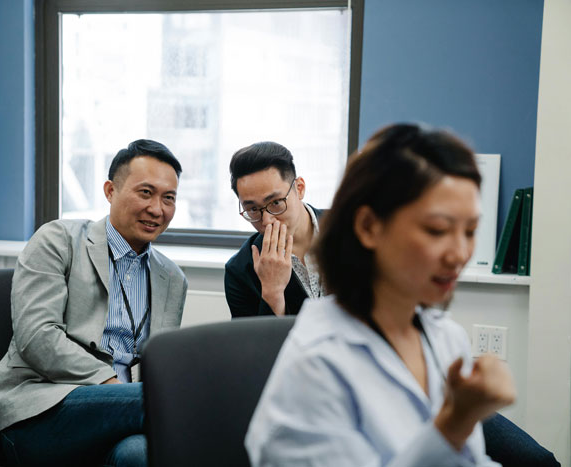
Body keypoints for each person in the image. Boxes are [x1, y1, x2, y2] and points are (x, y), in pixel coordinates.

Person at [245, 124, 560, 466]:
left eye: (470, 231)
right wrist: (454, 423)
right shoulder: (316, 363)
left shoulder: (445, 337)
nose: (459, 254)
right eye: (437, 230)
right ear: (368, 228)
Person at [0, 139, 188, 466]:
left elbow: (158, 365)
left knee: (139, 455)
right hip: (41, 410)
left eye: (169, 198)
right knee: (169, 403)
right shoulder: (59, 240)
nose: (157, 208)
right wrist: (109, 382)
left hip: (120, 412)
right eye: (145, 192)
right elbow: (37, 338)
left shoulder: (172, 279)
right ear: (110, 191)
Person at [224, 141, 324, 317]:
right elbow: (255, 343)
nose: (267, 221)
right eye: (253, 209)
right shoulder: (240, 271)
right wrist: (273, 292)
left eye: (276, 203)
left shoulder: (350, 229)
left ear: (299, 189)